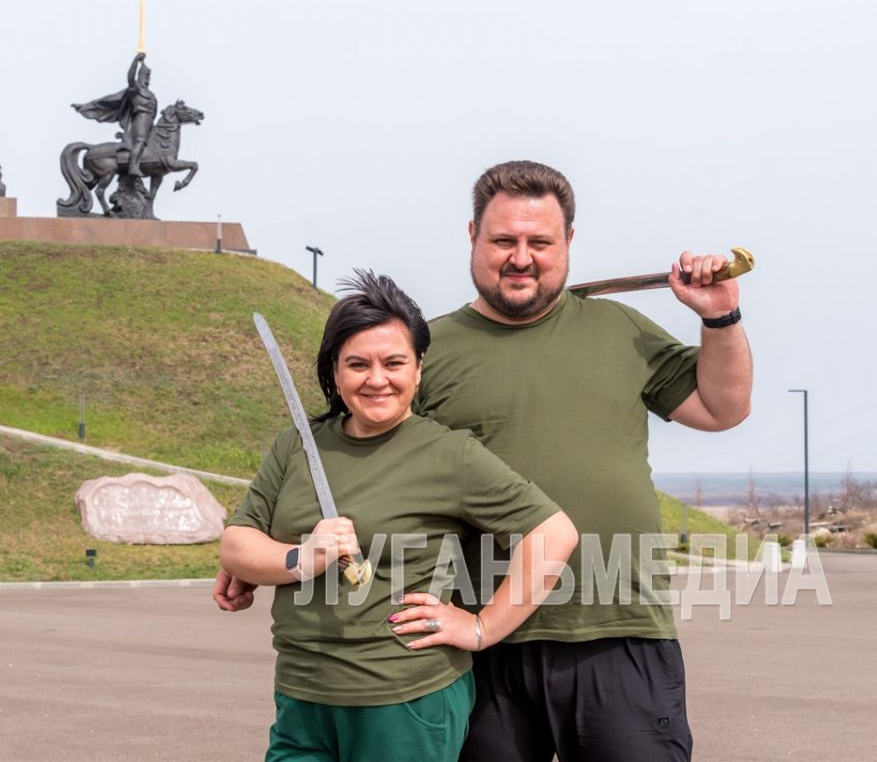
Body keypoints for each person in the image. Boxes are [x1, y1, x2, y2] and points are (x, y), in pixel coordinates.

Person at [216, 160, 753, 761]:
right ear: (473, 237)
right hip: (479, 635)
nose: (521, 257)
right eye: (503, 240)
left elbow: (722, 407)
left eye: (539, 242)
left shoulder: (621, 329)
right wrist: (270, 552)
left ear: (567, 243)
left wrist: (719, 316)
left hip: (616, 626)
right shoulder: (423, 353)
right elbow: (361, 459)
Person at [220, 271, 578, 762]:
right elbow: (237, 543)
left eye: (394, 362)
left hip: (404, 699)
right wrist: (301, 558)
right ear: (335, 370)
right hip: (302, 695)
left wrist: (482, 629)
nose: (376, 379)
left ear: (418, 368)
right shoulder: (297, 446)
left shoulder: (450, 455)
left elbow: (553, 533)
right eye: (357, 364)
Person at [71, 51, 158, 176]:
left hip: (150, 121)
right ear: (140, 77)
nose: (147, 79)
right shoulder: (135, 89)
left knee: (153, 146)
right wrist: (135, 61)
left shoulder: (151, 95)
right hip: (140, 119)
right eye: (145, 76)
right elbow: (130, 78)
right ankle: (133, 167)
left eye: (148, 77)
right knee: (140, 141)